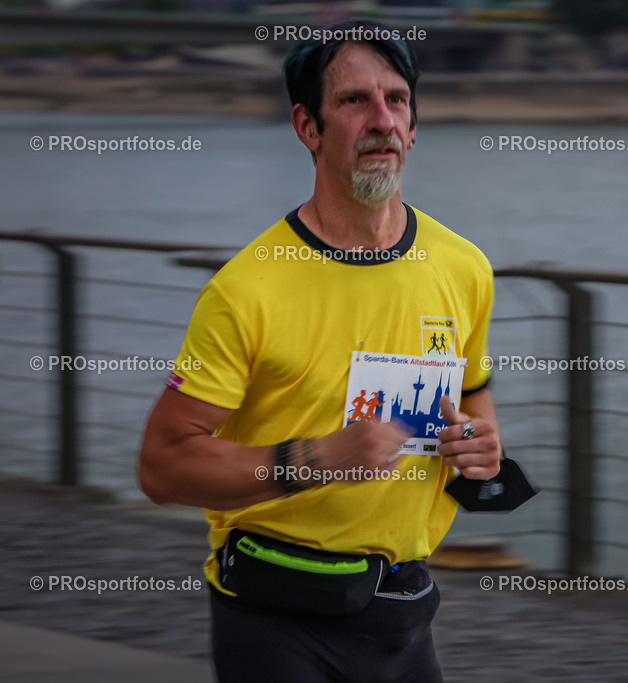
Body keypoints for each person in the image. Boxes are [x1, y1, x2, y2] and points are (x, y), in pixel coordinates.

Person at [138, 20, 501, 682]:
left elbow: (471, 390)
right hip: (278, 610)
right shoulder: (247, 289)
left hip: (407, 608)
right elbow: (163, 467)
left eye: (397, 99)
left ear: (415, 126)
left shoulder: (465, 266)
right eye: (354, 101)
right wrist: (314, 458)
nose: (382, 120)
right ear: (309, 128)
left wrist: (480, 444)